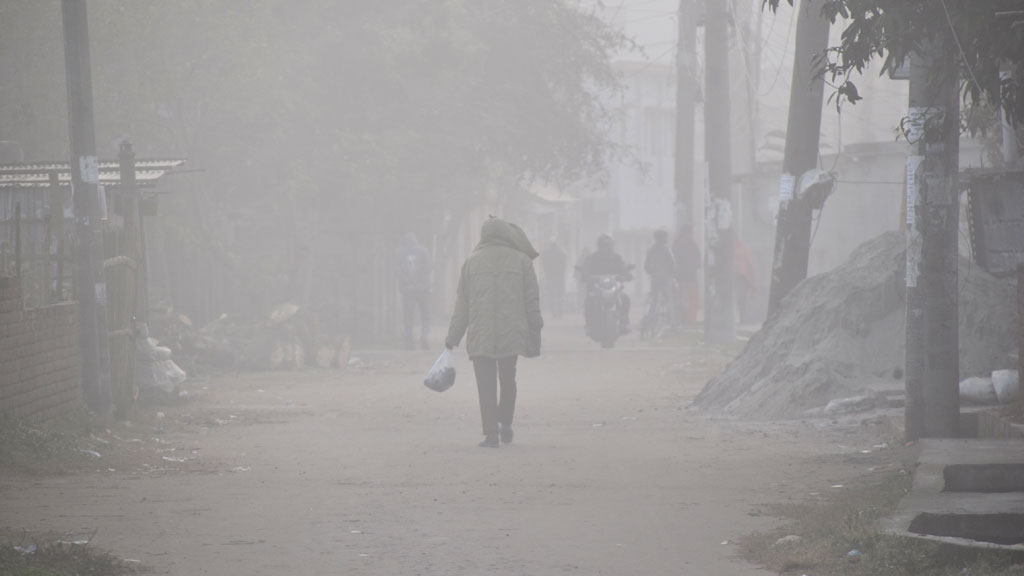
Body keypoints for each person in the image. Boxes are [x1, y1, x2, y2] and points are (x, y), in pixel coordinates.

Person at [445, 217, 543, 448]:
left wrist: (453, 337)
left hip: (481, 332)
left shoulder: (471, 263)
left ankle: (491, 434)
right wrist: (535, 327)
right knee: (508, 379)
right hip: (512, 331)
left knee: (485, 383)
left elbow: (462, 305)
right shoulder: (523, 262)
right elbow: (531, 300)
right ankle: (505, 423)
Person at [581, 234, 632, 333]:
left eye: (608, 246)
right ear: (599, 246)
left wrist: (627, 275)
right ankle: (589, 325)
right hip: (596, 288)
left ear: (612, 246)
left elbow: (623, 268)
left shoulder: (617, 258)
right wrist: (587, 276)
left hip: (614, 288)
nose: (606, 249)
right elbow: (585, 270)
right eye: (604, 246)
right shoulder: (592, 258)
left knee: (625, 298)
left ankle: (624, 322)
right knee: (589, 301)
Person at [396, 233, 432, 349]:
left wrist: (408, 283)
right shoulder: (424, 251)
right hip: (422, 289)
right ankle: (424, 336)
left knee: (408, 316)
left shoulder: (400, 253)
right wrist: (422, 283)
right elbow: (427, 268)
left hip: (408, 290)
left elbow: (398, 271)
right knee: (425, 315)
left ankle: (409, 340)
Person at [643, 229, 677, 324]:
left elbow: (645, 266)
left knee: (653, 299)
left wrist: (652, 273)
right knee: (669, 299)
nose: (667, 239)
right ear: (663, 238)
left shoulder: (650, 249)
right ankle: (672, 323)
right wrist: (672, 274)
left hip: (654, 278)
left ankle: (650, 319)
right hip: (666, 278)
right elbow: (673, 264)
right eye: (666, 237)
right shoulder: (666, 249)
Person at [673, 226, 701, 325]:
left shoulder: (676, 243)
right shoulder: (691, 243)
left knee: (682, 299)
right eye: (692, 232)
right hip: (691, 276)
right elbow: (698, 261)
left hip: (679, 277)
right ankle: (691, 321)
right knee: (692, 300)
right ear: (689, 233)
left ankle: (682, 320)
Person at [540, 238, 567, 319]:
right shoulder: (561, 253)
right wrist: (562, 273)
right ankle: (560, 311)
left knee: (551, 294)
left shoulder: (546, 253)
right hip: (559, 277)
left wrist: (546, 273)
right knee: (560, 294)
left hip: (550, 277)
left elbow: (544, 264)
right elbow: (564, 264)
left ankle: (553, 312)